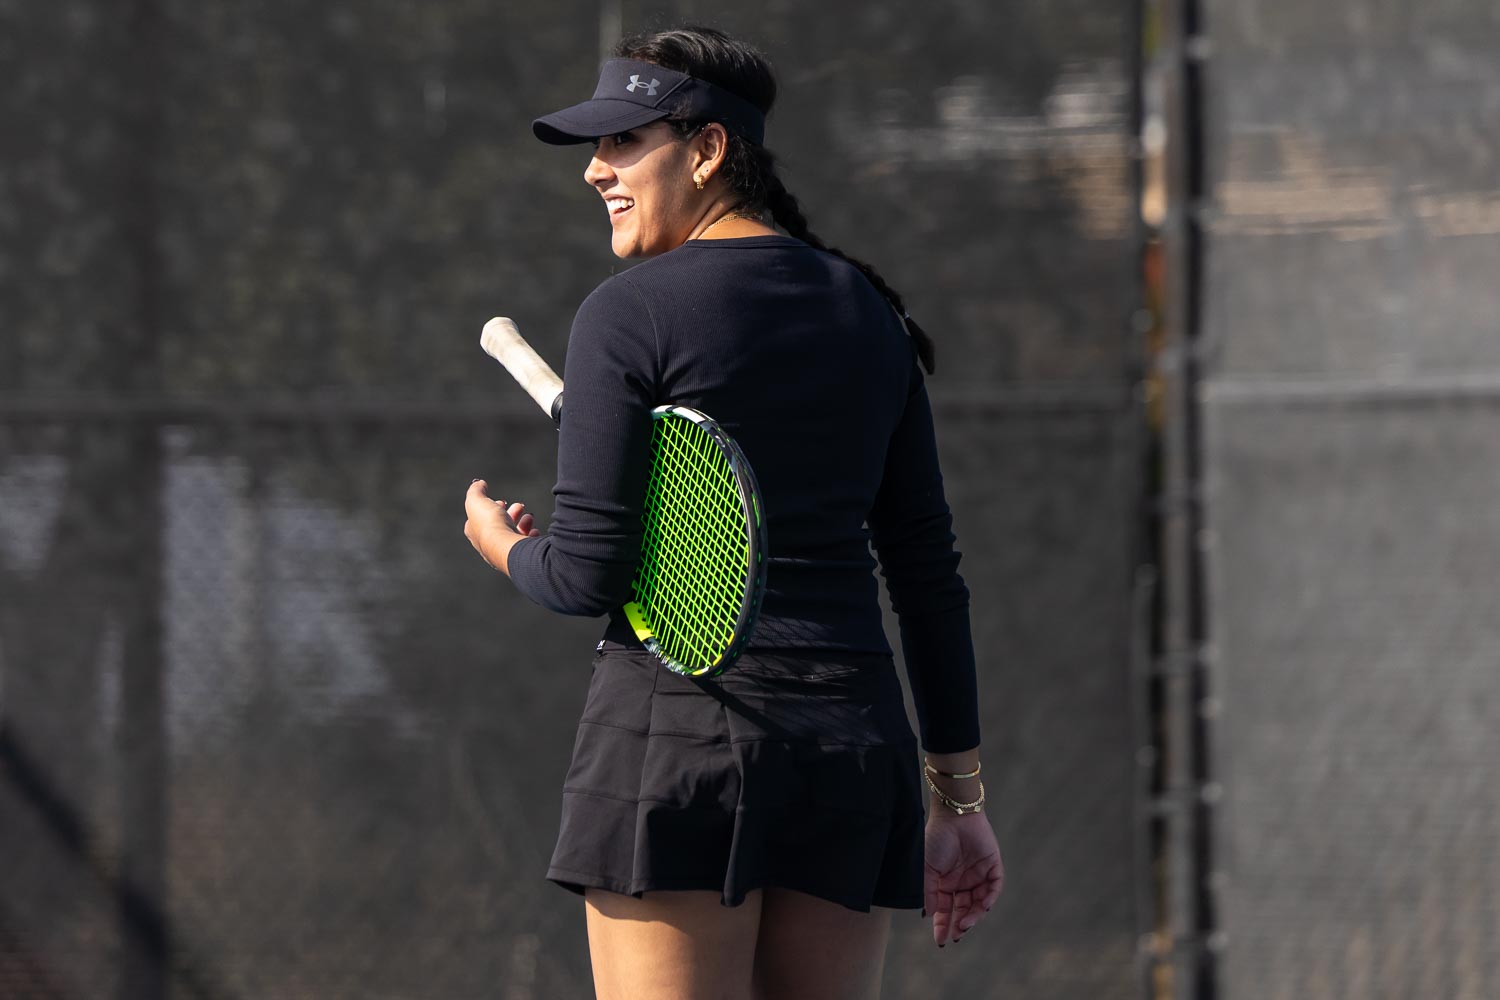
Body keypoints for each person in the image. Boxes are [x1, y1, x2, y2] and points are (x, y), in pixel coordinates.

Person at [462, 26, 1003, 1000]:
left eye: (623, 141)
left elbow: (583, 574)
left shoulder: (626, 314)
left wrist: (503, 547)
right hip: (849, 749)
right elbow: (926, 574)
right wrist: (958, 799)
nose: (595, 169)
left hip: (675, 741)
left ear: (708, 149)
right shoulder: (870, 316)